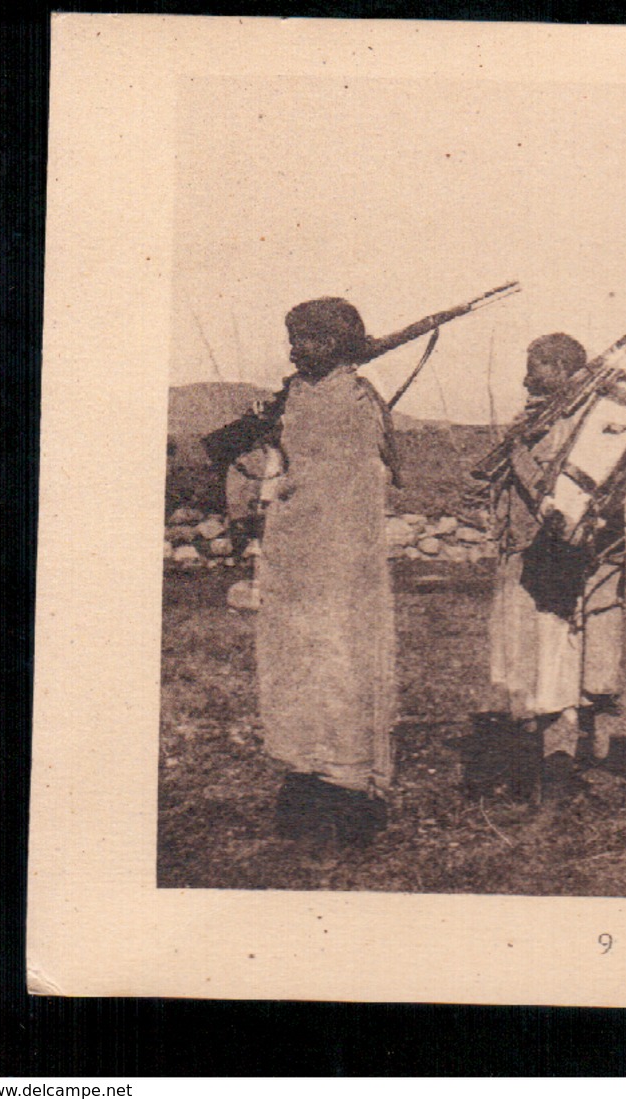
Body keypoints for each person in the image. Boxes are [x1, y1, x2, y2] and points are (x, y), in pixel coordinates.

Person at [259, 297, 399, 847]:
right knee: (294, 668)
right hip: (293, 561)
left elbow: (349, 487)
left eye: (311, 338)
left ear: (341, 343)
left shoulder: (355, 402)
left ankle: (345, 792)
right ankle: (303, 775)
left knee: (339, 668)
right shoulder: (293, 398)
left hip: (340, 566)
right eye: (293, 337)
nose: (297, 348)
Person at [469, 333, 625, 811]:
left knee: (555, 674)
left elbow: (557, 495)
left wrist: (517, 454)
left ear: (560, 369)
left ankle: (555, 782)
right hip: (520, 561)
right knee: (524, 670)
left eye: (536, 366)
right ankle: (529, 771)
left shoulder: (578, 427)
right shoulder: (541, 418)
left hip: (555, 568)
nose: (528, 375)